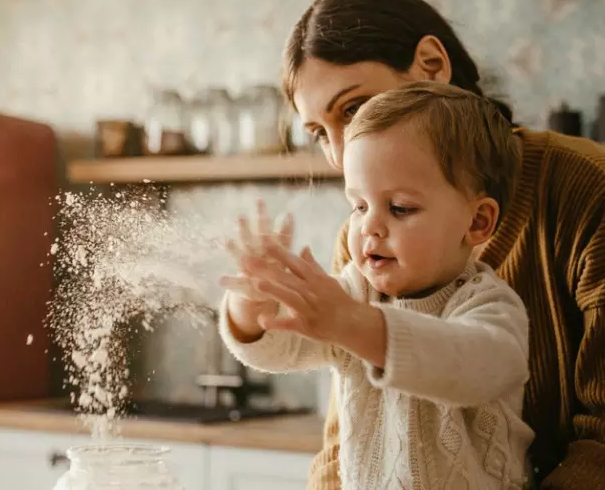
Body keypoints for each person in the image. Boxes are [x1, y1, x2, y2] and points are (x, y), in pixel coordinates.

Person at [283, 0, 605, 490]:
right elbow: (346, 439)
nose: (340, 151)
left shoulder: (584, 186)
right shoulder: (363, 239)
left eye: (353, 108)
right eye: (319, 133)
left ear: (433, 67)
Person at [219, 82, 535, 489]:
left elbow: (475, 367)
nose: (369, 226)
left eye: (400, 208)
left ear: (477, 222)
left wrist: (353, 324)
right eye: (359, 205)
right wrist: (253, 301)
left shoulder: (489, 305)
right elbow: (280, 348)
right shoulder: (356, 294)